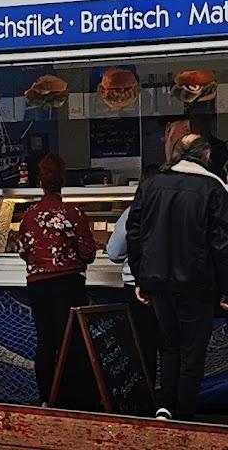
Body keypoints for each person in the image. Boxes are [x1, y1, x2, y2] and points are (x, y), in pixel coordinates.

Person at [127, 134, 228, 421]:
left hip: (157, 282)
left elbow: (134, 234)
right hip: (197, 285)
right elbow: (222, 245)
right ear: (206, 155)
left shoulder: (151, 184)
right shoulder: (213, 188)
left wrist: (140, 279)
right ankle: (184, 415)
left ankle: (164, 407)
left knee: (169, 346)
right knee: (192, 354)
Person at [18, 153, 97, 407]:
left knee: (45, 340)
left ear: (40, 181)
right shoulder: (72, 213)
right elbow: (88, 253)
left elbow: (22, 251)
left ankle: (46, 397)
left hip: (38, 285)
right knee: (70, 341)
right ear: (63, 179)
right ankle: (70, 398)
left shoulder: (29, 216)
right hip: (68, 284)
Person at [106, 164, 161, 387]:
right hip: (170, 287)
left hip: (136, 289)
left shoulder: (132, 212)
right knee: (170, 347)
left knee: (141, 348)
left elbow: (114, 252)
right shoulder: (174, 212)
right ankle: (169, 403)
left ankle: (143, 399)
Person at [189, 114, 228, 182]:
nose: (196, 127)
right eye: (193, 124)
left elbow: (219, 169)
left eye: (200, 124)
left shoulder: (218, 146)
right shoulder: (187, 145)